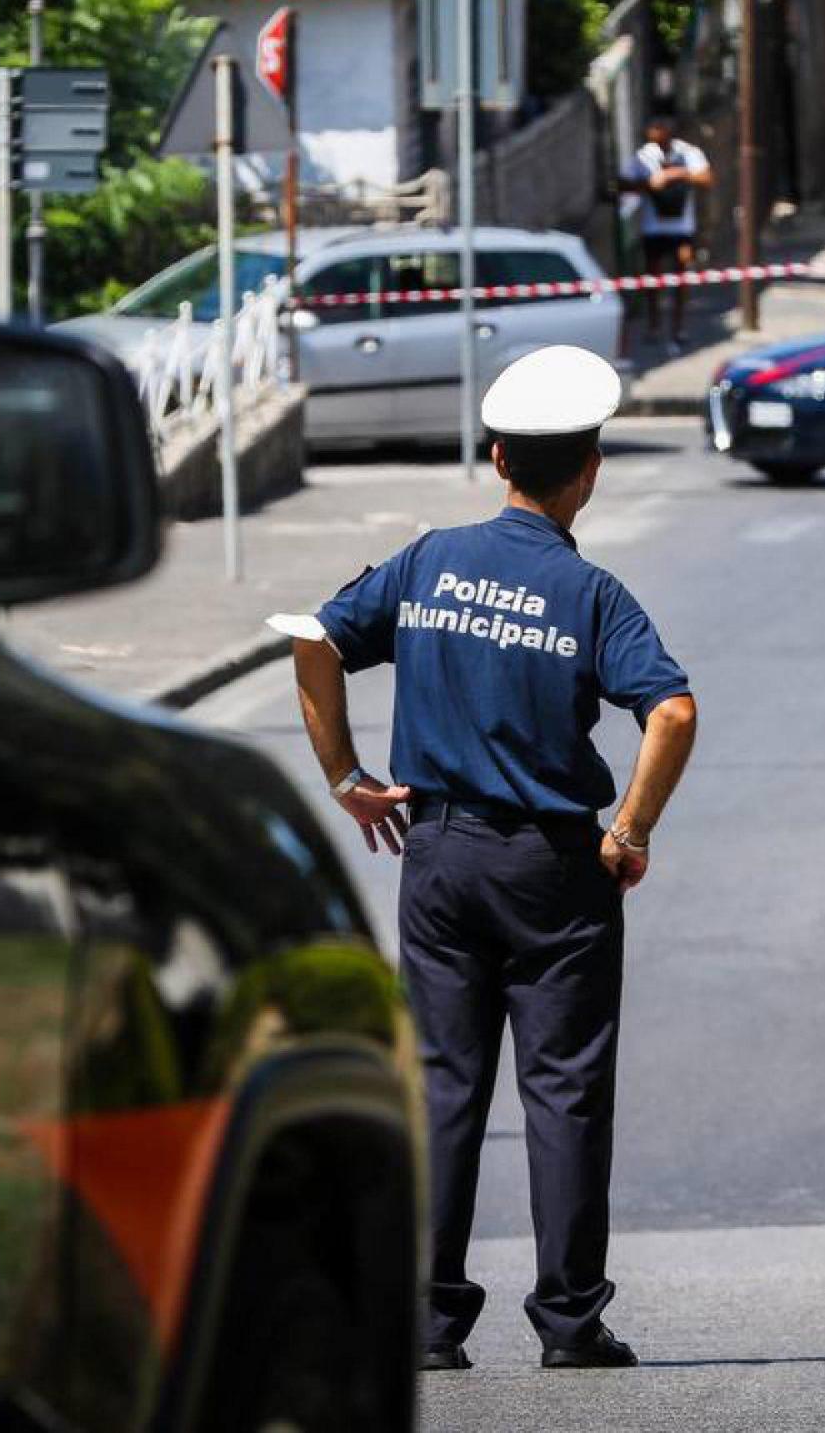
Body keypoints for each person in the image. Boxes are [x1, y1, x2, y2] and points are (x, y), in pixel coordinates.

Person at [275, 345, 698, 1372]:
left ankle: (426, 1319)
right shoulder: (590, 592)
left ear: (497, 455)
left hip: (441, 855)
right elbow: (672, 709)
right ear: (588, 470)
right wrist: (629, 829)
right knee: (563, 1087)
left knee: (441, 1081)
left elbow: (313, 638)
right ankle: (567, 1319)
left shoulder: (426, 560)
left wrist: (344, 775)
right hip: (556, 866)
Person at [616, 116, 712, 353]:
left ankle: (679, 326)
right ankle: (654, 325)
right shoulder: (643, 156)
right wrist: (650, 183)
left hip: (681, 227)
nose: (656, 134)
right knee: (653, 280)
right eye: (652, 130)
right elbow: (622, 183)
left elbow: (707, 178)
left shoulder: (688, 153)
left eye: (660, 129)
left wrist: (675, 174)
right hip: (654, 227)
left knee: (681, 277)